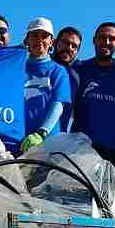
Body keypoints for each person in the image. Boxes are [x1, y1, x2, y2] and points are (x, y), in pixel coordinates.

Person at [70, 22, 115, 181]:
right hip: (82, 150)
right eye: (102, 38)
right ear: (94, 40)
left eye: (111, 38)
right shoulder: (79, 69)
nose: (106, 42)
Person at [19, 17, 72, 153]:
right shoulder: (16, 69)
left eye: (44, 36)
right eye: (35, 35)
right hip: (19, 142)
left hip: (47, 143)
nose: (39, 40)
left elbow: (58, 105)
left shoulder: (58, 71)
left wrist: (42, 133)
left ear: (51, 42)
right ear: (26, 40)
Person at [51, 26, 83, 131]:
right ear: (54, 42)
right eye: (65, 42)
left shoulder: (75, 78)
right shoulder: (33, 65)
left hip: (56, 141)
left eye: (74, 46)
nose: (69, 48)